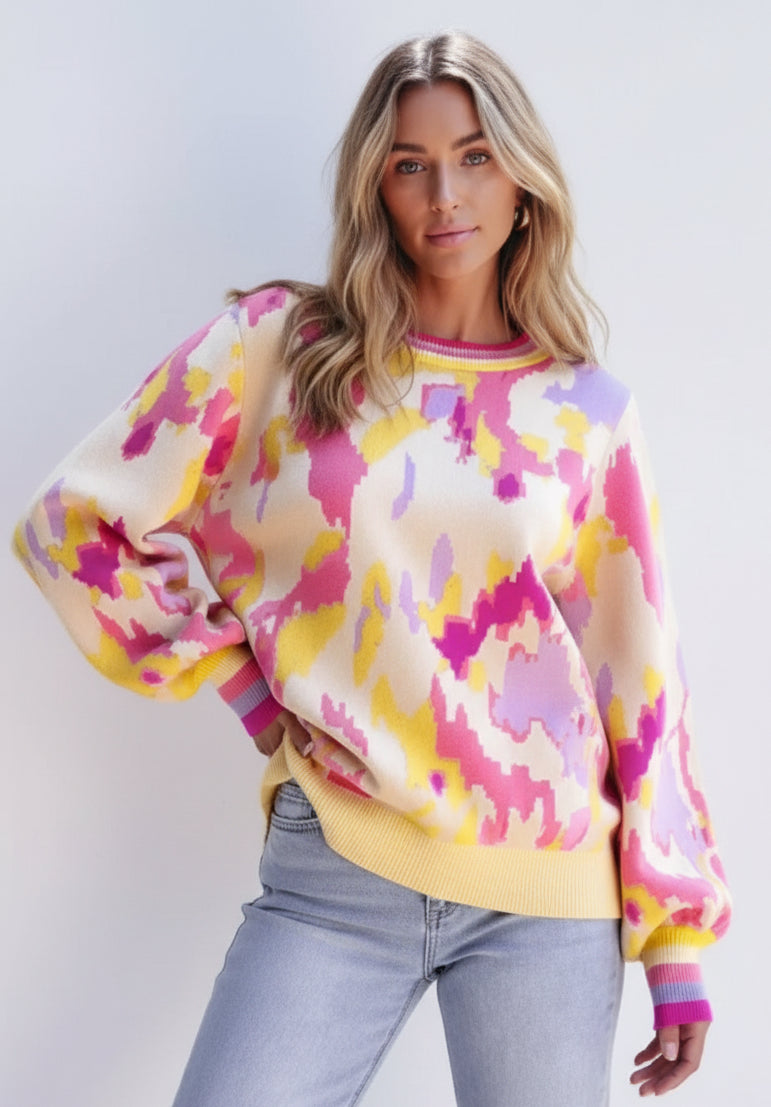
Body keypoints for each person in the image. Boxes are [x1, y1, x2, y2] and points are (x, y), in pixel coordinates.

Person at [13, 30, 730, 1106]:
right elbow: (74, 522)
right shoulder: (279, 348)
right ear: (375, 188)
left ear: (522, 181)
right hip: (335, 869)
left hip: (545, 895)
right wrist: (247, 690)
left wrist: (675, 944)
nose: (445, 194)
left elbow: (641, 679)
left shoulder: (586, 415)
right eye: (409, 164)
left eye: (474, 156)